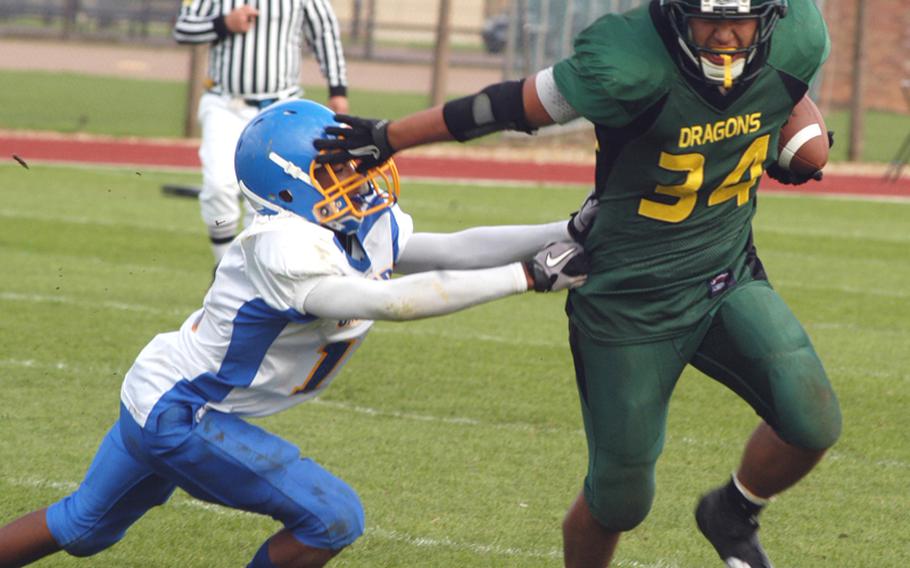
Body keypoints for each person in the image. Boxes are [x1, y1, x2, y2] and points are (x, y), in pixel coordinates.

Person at [312, 1, 842, 566]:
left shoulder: (799, 36)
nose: (725, 37)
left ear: (771, 15)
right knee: (621, 502)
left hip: (725, 276)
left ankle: (731, 513)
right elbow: (505, 106)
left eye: (742, 21)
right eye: (706, 19)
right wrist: (391, 136)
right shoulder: (627, 60)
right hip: (626, 301)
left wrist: (785, 137)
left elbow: (783, 90)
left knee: (813, 422)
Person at [0, 99, 594, 568]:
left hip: (158, 387)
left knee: (83, 526)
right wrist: (526, 277)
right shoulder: (284, 247)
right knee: (333, 518)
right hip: (182, 411)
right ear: (288, 186)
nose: (358, 177)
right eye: (335, 170)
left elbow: (452, 249)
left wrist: (563, 227)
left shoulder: (353, 220)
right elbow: (393, 302)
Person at [173, 0, 349, 266]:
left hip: (281, 109)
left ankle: (250, 269)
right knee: (219, 187)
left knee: (267, 195)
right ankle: (224, 264)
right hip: (226, 103)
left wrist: (338, 91)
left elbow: (325, 33)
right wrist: (224, 23)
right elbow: (183, 29)